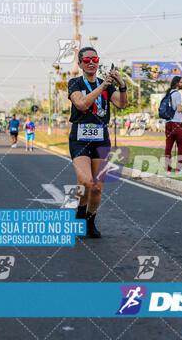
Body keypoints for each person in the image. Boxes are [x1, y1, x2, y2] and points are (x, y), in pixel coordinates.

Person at [67, 47, 128, 238]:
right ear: (80, 64)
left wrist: (122, 85)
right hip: (80, 139)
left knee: (97, 186)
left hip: (101, 138)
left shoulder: (107, 84)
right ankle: (79, 215)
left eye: (94, 59)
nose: (91, 62)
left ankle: (90, 221)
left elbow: (122, 104)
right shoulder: (75, 83)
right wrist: (100, 88)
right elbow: (81, 104)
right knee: (85, 181)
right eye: (87, 60)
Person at [164, 76, 182, 174]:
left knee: (168, 147)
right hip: (177, 123)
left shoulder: (168, 93)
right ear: (177, 83)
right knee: (181, 146)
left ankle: (168, 170)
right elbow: (178, 109)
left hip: (168, 123)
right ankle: (178, 169)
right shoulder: (177, 94)